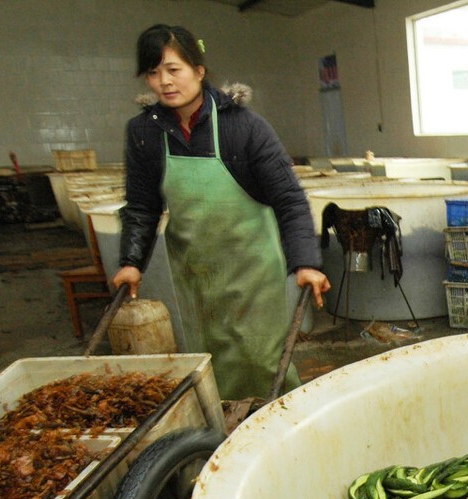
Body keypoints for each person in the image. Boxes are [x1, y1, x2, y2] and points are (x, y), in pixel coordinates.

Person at [114, 24, 330, 401]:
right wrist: (132, 261)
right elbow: (142, 206)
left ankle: (277, 421)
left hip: (251, 268)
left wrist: (305, 262)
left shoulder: (243, 128)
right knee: (210, 360)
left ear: (199, 70)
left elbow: (289, 199)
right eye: (153, 72)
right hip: (196, 271)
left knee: (261, 359)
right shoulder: (144, 133)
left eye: (173, 69)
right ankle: (223, 433)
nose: (163, 81)